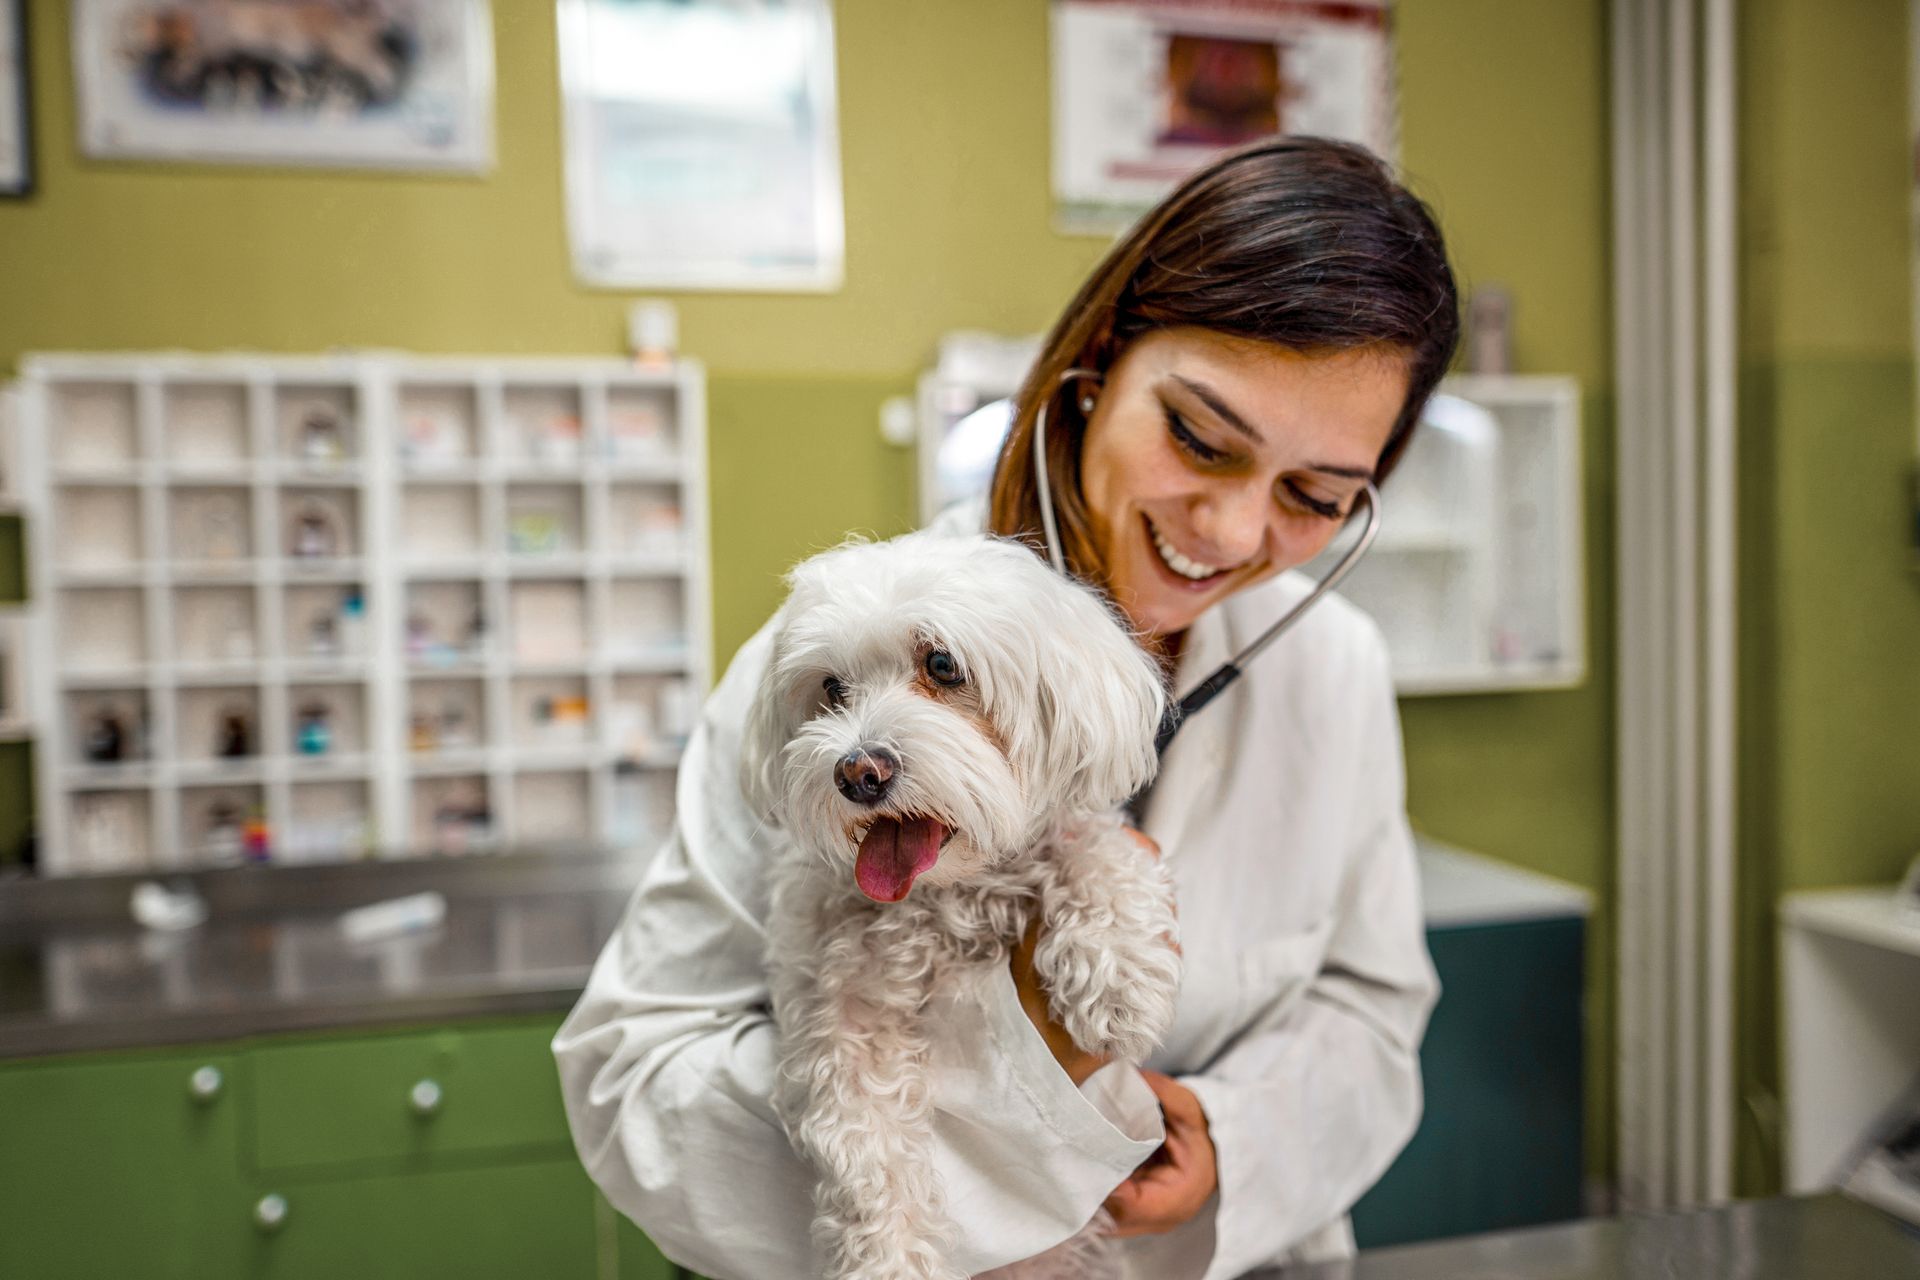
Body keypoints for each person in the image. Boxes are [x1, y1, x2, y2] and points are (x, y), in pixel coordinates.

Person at [554, 136, 1460, 1279]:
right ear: (1097, 364)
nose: (1231, 532)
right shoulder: (829, 667)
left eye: (1314, 495)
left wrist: (1232, 1139)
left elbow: (1370, 1016)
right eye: (1197, 437)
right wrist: (968, 1149)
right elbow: (635, 1070)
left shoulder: (1337, 669)